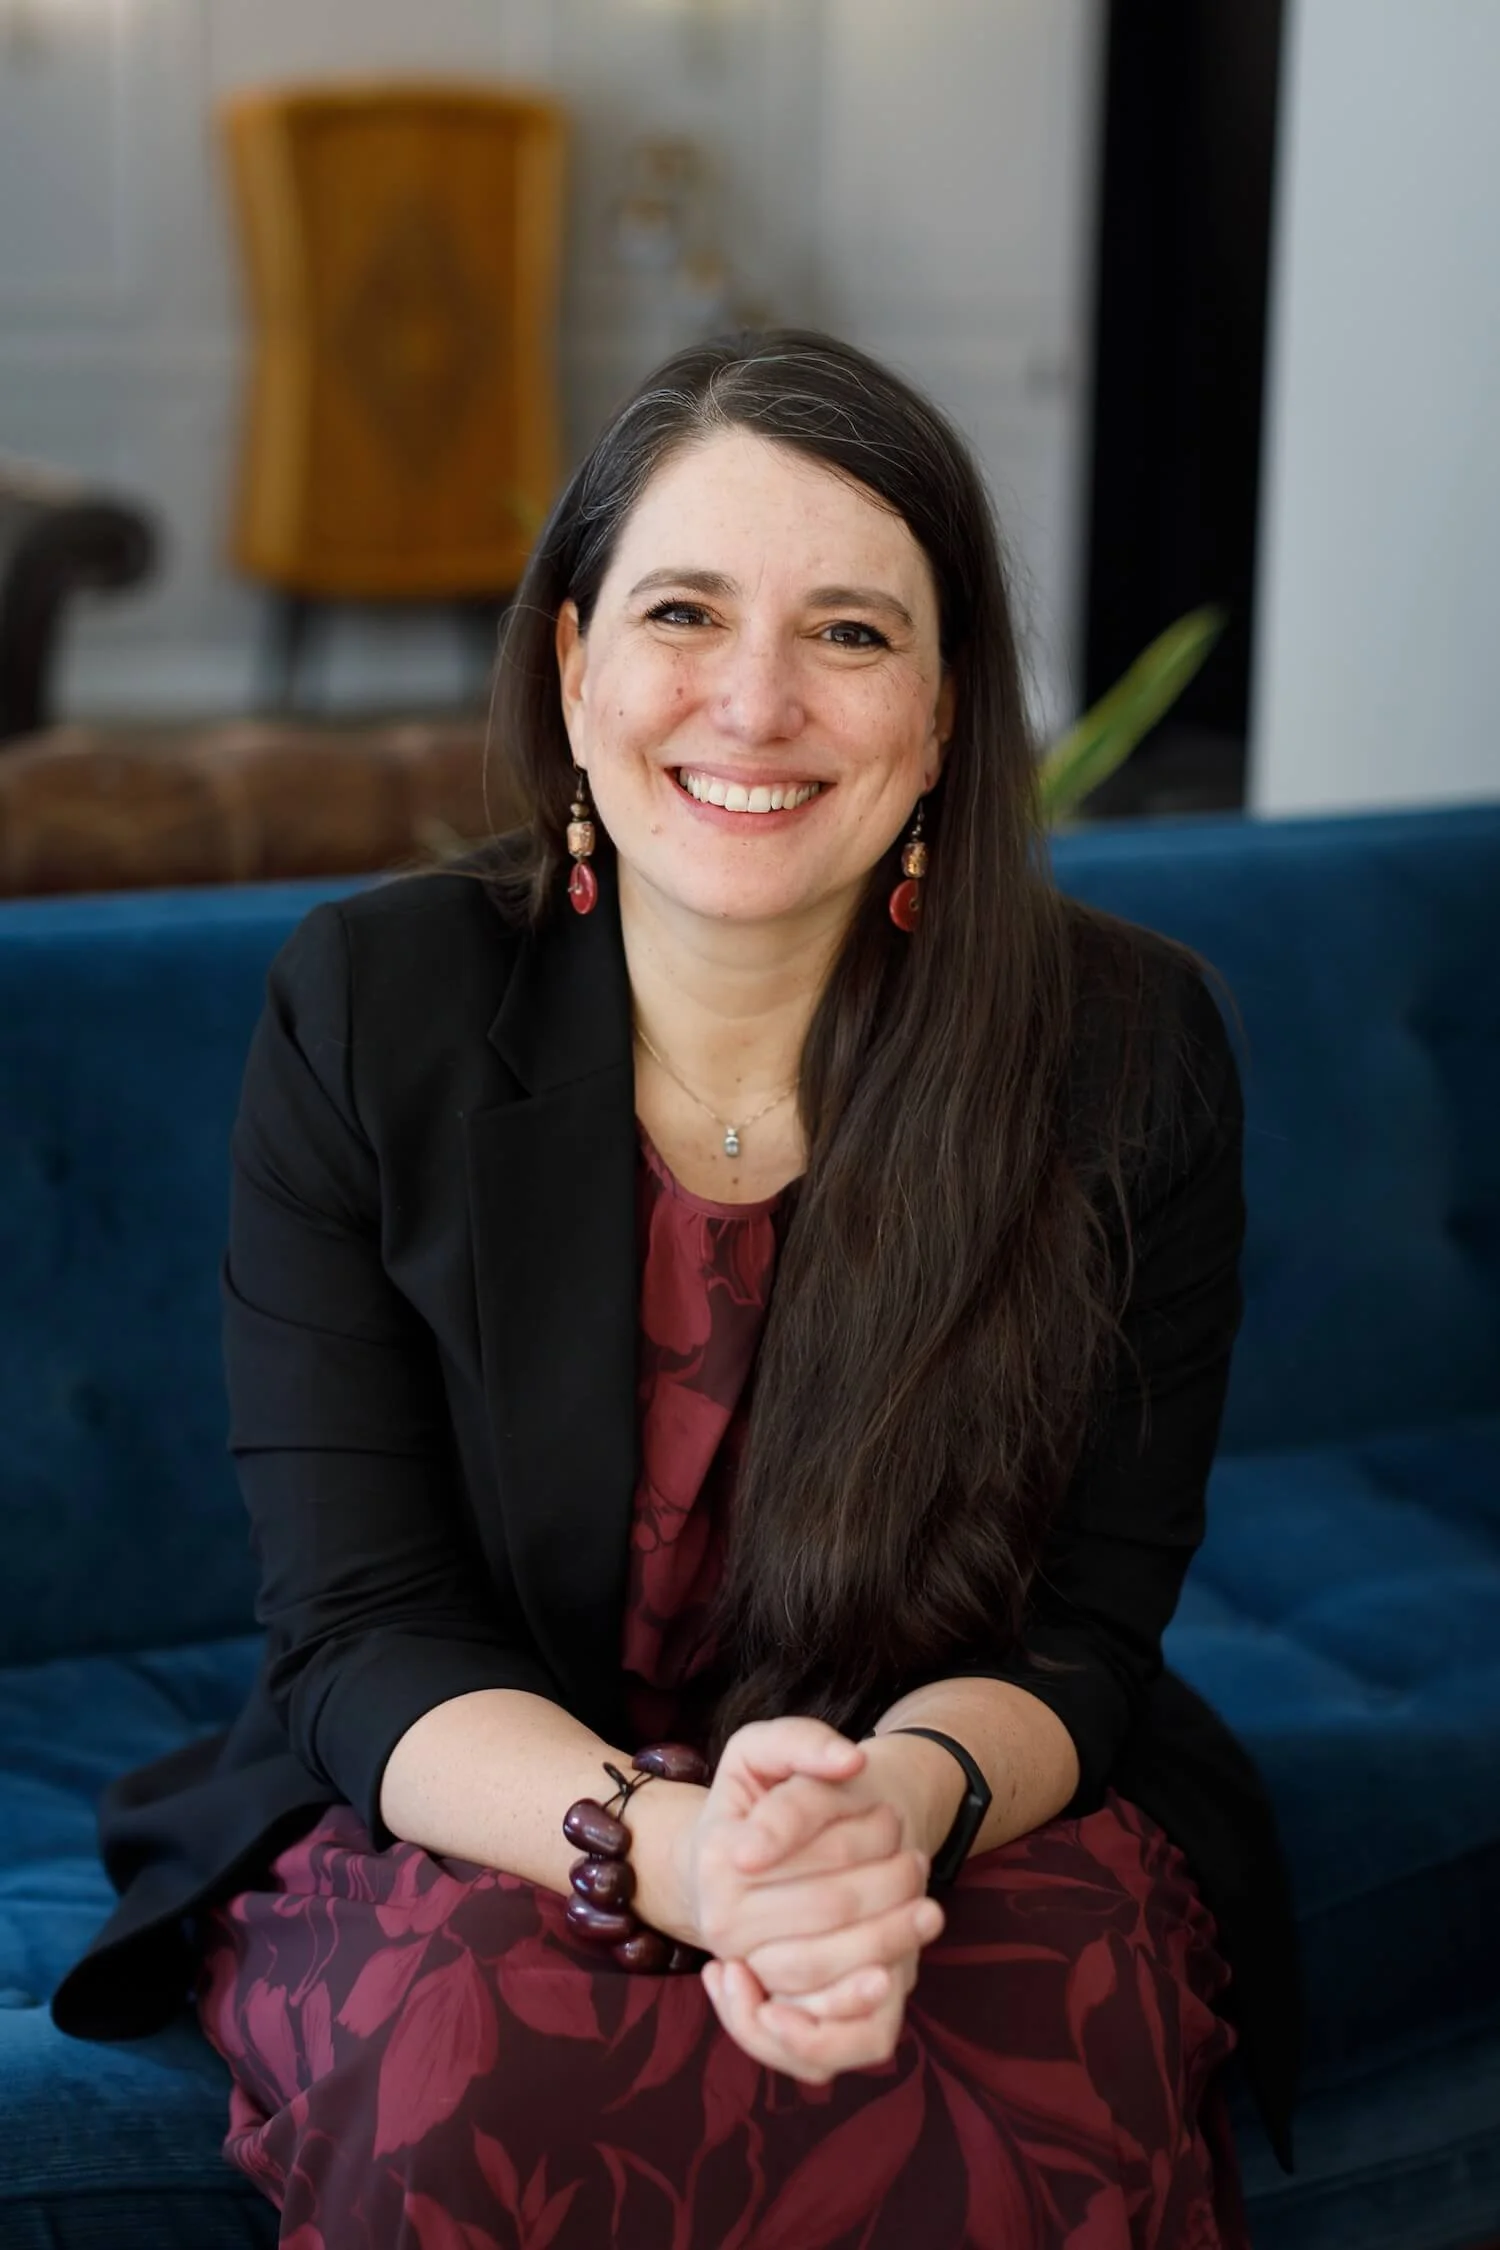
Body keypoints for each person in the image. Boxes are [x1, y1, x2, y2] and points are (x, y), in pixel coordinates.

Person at [52, 330, 1300, 2247]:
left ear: (953, 709)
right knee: (479, 2062)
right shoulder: (370, 1009)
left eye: (856, 634)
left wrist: (874, 1826)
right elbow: (359, 1630)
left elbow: (1084, 1635)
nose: (754, 700)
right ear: (574, 668)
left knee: (1037, 2045)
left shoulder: (1128, 1050)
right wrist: (672, 1852)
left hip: (939, 1798)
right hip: (490, 1798)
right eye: (685, 610)